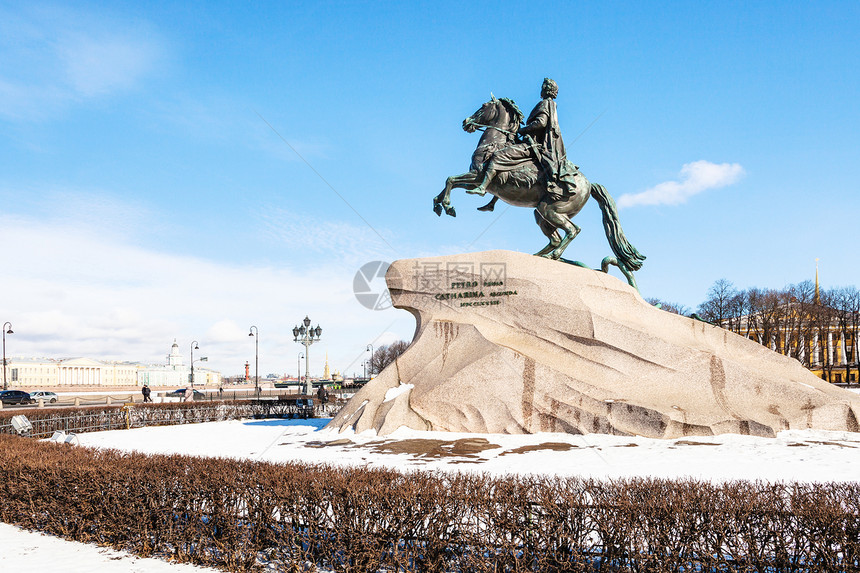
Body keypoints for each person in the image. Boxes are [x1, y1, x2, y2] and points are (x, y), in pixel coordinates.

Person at [472, 78, 577, 210]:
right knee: (508, 163)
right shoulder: (552, 105)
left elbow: (541, 123)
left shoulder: (544, 103)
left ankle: (483, 187)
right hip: (539, 144)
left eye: (542, 87)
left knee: (499, 156)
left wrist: (523, 129)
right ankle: (492, 203)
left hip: (535, 145)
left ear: (545, 89)